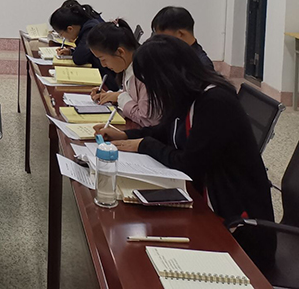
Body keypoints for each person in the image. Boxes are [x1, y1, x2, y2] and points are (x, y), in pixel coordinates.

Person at [95, 35, 276, 271]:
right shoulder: (188, 95)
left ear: (167, 76)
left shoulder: (215, 101)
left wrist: (144, 145)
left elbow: (189, 164)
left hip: (236, 223)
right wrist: (125, 135)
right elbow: (166, 131)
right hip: (206, 197)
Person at [87, 19, 160, 127]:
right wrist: (112, 96)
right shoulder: (129, 66)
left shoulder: (144, 74)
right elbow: (133, 97)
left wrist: (120, 97)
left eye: (103, 59)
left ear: (120, 52)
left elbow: (148, 120)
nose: (103, 65)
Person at [49, 2, 119, 91]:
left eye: (61, 34)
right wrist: (71, 51)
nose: (63, 38)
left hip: (109, 82)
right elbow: (86, 51)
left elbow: (79, 59)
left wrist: (75, 52)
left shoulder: (91, 29)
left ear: (70, 29)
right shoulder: (89, 21)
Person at [151, 6, 214, 71]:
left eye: (163, 38)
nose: (159, 43)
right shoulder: (174, 56)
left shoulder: (201, 65)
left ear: (180, 34)